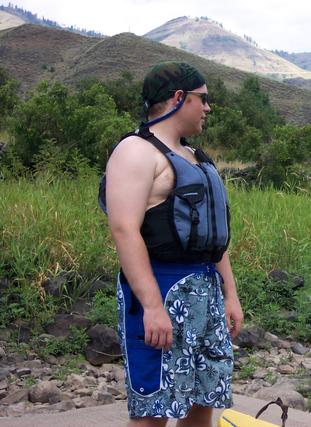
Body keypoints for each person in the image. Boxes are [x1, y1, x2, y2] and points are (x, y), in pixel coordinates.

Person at [102, 61, 244, 427]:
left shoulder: (195, 156)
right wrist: (151, 307)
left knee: (203, 399)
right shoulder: (136, 152)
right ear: (179, 98)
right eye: (203, 99)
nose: (208, 108)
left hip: (206, 291)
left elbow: (215, 236)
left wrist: (230, 295)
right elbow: (124, 230)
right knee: (155, 407)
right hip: (163, 291)